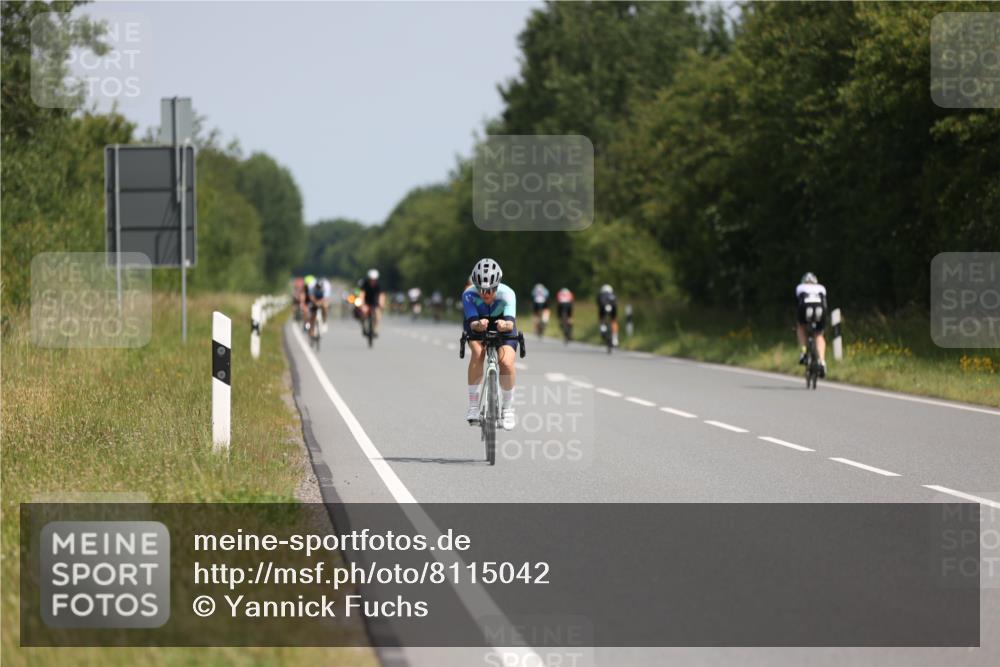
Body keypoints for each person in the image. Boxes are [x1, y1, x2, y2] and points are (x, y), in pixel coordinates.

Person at [463, 258, 518, 430]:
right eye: (481, 289)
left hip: (503, 322)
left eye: (491, 289)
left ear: (498, 285)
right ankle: (473, 406)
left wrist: (505, 325)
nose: (486, 294)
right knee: (478, 352)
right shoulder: (468, 294)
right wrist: (478, 325)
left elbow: (510, 323)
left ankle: (508, 409)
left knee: (506, 362)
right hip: (478, 322)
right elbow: (471, 322)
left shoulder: (508, 294)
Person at [795, 272, 827, 377]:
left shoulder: (800, 287)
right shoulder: (821, 288)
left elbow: (797, 303)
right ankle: (822, 361)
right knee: (819, 334)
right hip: (820, 308)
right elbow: (825, 302)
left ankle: (804, 353)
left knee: (801, 327)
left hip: (805, 307)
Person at [359, 269, 385, 336]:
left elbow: (381, 295)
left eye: (374, 279)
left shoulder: (379, 285)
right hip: (366, 301)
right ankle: (364, 326)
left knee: (377, 314)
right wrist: (362, 304)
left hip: (375, 301)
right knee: (363, 312)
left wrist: (381, 304)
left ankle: (374, 329)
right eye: (371, 279)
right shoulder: (365, 284)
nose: (372, 281)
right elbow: (362, 293)